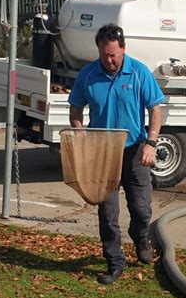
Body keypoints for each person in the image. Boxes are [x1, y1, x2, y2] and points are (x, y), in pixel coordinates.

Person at [68, 24, 164, 284]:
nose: (109, 60)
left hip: (135, 149)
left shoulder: (138, 72)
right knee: (108, 214)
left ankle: (141, 237)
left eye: (113, 54)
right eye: (103, 55)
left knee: (142, 209)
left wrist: (151, 143)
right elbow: (75, 110)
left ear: (123, 48)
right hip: (101, 152)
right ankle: (114, 263)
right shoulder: (88, 75)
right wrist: (80, 136)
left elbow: (156, 110)